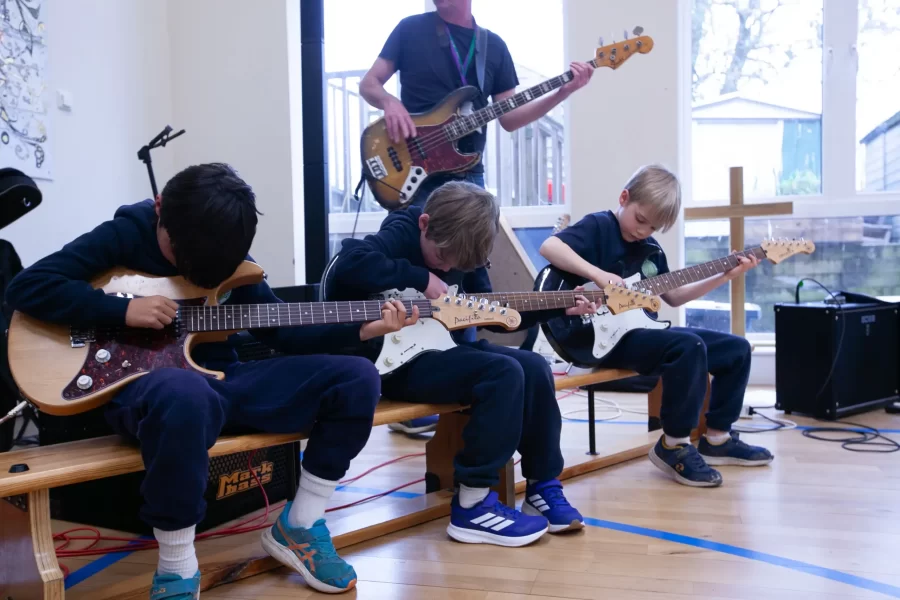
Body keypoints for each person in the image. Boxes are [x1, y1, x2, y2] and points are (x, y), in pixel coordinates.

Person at [5, 163, 419, 598]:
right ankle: (178, 568)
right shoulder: (124, 234)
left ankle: (299, 525)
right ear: (160, 209)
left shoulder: (229, 247)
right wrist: (121, 311)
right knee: (183, 393)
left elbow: (280, 328)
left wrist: (362, 330)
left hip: (225, 381)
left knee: (357, 377)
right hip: (152, 389)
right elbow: (27, 287)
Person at [360, 0, 594, 434]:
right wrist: (390, 102)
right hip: (417, 172)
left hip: (469, 174)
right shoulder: (410, 29)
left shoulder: (492, 47)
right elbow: (369, 83)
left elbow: (509, 119)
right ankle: (406, 378)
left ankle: (463, 379)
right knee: (409, 278)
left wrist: (563, 92)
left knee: (470, 282)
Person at [327, 180, 596, 546]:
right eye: (443, 258)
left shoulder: (464, 247)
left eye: (460, 264)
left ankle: (542, 485)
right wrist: (421, 277)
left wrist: (557, 306)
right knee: (502, 373)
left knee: (532, 366)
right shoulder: (403, 229)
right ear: (424, 224)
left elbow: (489, 311)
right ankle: (473, 505)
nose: (451, 267)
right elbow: (346, 266)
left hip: (437, 349)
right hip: (389, 361)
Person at [538, 164, 774, 488]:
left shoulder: (650, 250)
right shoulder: (598, 226)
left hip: (637, 332)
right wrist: (598, 274)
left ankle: (717, 438)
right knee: (688, 347)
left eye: (653, 227)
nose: (643, 231)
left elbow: (674, 297)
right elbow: (549, 247)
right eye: (640, 219)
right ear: (624, 198)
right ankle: (673, 444)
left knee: (736, 349)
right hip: (593, 335)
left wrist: (724, 275)